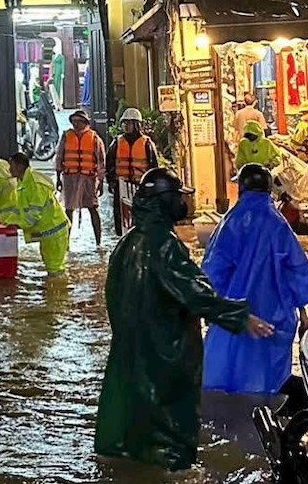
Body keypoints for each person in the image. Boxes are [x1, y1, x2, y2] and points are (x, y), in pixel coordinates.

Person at [94, 167, 274, 472]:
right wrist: (241, 316)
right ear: (165, 201)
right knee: (169, 434)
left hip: (130, 355)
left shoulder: (125, 245)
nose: (183, 202)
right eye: (178, 196)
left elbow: (115, 300)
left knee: (128, 430)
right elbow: (195, 293)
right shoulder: (164, 246)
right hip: (165, 357)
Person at [202, 164, 308, 401]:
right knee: (267, 385)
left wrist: (215, 309)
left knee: (225, 387)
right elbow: (298, 272)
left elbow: (211, 273)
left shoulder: (229, 223)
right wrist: (304, 315)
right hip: (275, 319)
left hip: (236, 316)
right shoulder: (279, 225)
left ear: (242, 188)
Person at [0, 152, 71, 276]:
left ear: (19, 166)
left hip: (54, 232)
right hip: (48, 232)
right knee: (52, 268)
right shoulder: (23, 182)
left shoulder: (35, 184)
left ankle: (58, 293)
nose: (9, 169)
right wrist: (4, 221)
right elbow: (21, 210)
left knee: (55, 270)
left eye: (11, 166)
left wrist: (14, 224)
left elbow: (33, 216)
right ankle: (53, 292)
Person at [106, 107, 160, 236]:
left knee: (142, 214)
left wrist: (151, 186)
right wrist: (111, 182)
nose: (126, 126)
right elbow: (110, 164)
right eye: (125, 123)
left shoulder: (146, 143)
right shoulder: (117, 142)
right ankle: (123, 236)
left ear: (136, 125)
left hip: (141, 185)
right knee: (120, 215)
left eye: (129, 123)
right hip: (122, 185)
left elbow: (153, 167)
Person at [55, 109, 106, 245]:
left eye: (78, 122)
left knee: (93, 208)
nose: (75, 124)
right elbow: (59, 156)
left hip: (88, 179)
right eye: (73, 122)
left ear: (85, 123)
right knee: (68, 210)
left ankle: (98, 242)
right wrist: (58, 177)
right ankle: (65, 242)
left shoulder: (94, 138)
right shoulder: (66, 136)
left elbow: (101, 161)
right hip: (70, 178)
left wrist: (100, 182)